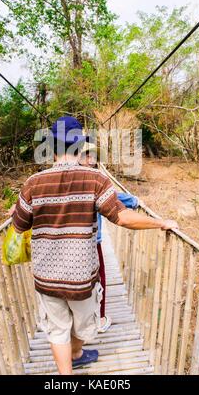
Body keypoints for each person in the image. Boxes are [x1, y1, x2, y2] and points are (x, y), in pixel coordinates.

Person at [11, 116, 179, 375]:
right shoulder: (95, 179)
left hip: (46, 276)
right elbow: (121, 217)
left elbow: (20, 226)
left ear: (52, 148)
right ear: (79, 147)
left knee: (57, 330)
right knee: (85, 327)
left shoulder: (32, 183)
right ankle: (77, 352)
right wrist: (160, 222)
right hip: (81, 277)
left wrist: (20, 211)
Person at [79, 142, 139, 333]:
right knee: (100, 279)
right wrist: (134, 201)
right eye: (87, 155)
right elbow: (112, 197)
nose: (92, 159)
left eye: (93, 156)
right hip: (91, 240)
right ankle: (100, 318)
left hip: (69, 240)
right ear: (78, 157)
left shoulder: (69, 177)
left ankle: (80, 324)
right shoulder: (94, 179)